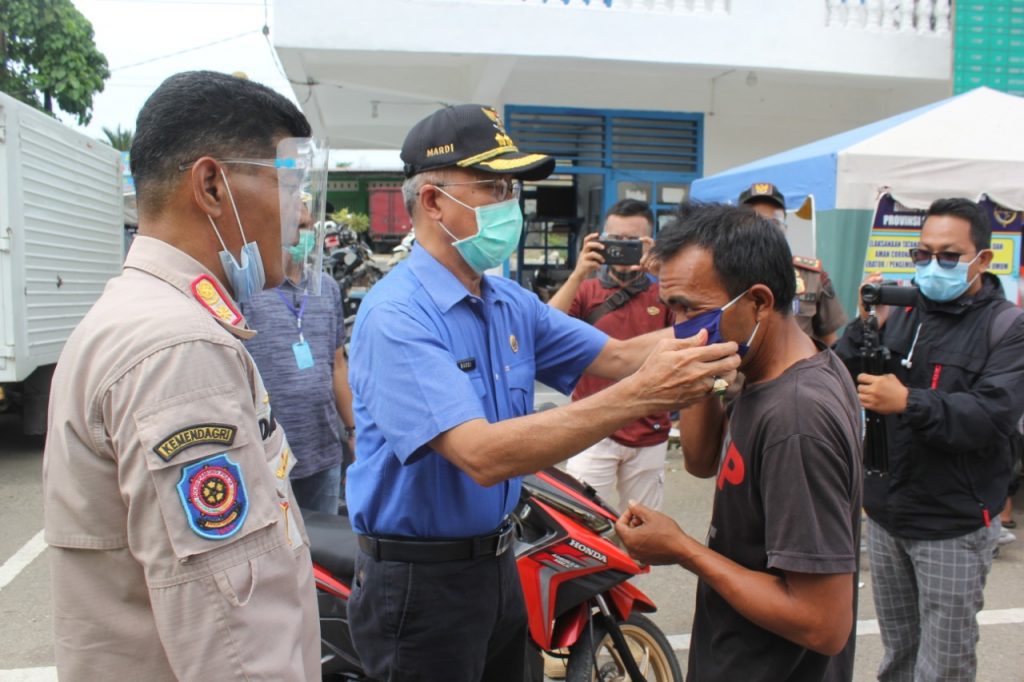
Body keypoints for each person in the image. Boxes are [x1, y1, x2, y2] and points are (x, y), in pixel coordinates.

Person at [344, 104, 741, 682]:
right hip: (421, 584)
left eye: (513, 187)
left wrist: (730, 322)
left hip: (501, 562)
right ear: (432, 201)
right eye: (492, 186)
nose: (512, 204)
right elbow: (481, 454)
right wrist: (638, 397)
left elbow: (620, 357)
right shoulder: (398, 315)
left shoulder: (505, 300)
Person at [42, 71, 320, 680]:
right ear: (212, 184)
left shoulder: (146, 316)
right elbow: (235, 639)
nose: (299, 214)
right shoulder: (179, 347)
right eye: (288, 183)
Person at [615, 203, 863, 682]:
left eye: (693, 309)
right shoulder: (758, 366)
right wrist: (697, 367)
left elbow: (824, 624)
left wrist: (683, 549)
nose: (678, 326)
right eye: (673, 309)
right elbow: (702, 460)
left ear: (759, 302)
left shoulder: (796, 418)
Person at [835, 197, 1024, 682]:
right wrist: (863, 326)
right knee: (897, 652)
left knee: (944, 662)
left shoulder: (1006, 326)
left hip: (952, 522)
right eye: (922, 254)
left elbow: (993, 414)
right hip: (885, 512)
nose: (932, 266)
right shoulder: (899, 311)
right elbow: (841, 375)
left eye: (948, 255)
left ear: (982, 259)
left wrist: (909, 402)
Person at [548, 199, 674, 510]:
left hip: (649, 430)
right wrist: (578, 273)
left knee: (644, 531)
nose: (622, 250)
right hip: (592, 428)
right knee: (584, 524)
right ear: (601, 239)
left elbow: (693, 332)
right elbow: (542, 327)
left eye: (633, 242)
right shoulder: (586, 290)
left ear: (649, 243)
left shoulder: (666, 293)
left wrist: (662, 271)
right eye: (615, 240)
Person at [241, 232, 355, 514]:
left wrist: (353, 429)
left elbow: (338, 365)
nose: (305, 232)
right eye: (298, 223)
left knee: (321, 551)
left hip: (323, 452)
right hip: (267, 456)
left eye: (308, 224)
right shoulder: (247, 291)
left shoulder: (326, 287)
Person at [740, 182, 848, 345]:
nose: (765, 231)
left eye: (774, 224)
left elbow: (830, 341)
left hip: (799, 368)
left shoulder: (811, 276)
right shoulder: (723, 275)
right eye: (756, 222)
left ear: (785, 228)